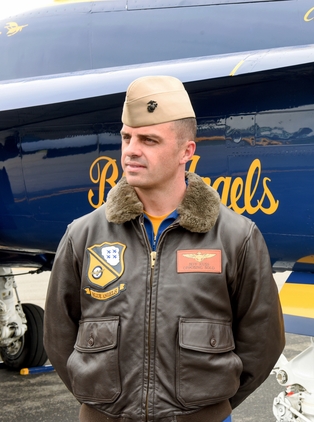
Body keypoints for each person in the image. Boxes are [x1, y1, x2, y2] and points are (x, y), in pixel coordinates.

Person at [44, 75, 285, 422]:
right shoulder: (83, 235)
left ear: (186, 151)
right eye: (127, 137)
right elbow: (58, 336)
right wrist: (105, 405)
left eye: (149, 140)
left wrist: (210, 408)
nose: (131, 150)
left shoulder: (236, 237)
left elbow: (263, 342)